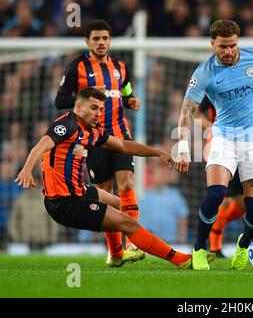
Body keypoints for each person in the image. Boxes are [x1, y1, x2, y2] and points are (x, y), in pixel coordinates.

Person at [15, 87, 215, 268]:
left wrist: (158, 153)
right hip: (65, 203)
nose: (98, 113)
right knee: (129, 224)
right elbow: (41, 146)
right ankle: (179, 259)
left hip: (80, 191)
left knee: (119, 203)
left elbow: (124, 146)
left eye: (101, 109)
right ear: (78, 107)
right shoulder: (66, 126)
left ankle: (117, 254)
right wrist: (26, 170)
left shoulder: (91, 132)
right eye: (94, 108)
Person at [175, 19, 253, 270]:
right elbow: (186, 112)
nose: (228, 51)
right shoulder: (205, 72)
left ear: (238, 42)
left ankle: (243, 247)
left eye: (232, 45)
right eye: (222, 46)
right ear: (213, 44)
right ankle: (199, 249)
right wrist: (182, 148)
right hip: (224, 138)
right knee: (216, 194)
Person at [54, 19, 144, 264]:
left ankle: (134, 243)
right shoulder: (77, 68)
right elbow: (60, 100)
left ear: (110, 40)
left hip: (120, 134)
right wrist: (84, 102)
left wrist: (131, 101)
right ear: (87, 41)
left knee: (126, 184)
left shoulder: (120, 68)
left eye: (105, 38)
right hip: (93, 139)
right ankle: (115, 253)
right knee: (105, 192)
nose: (101, 43)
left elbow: (126, 91)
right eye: (96, 38)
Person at [197, 96, 246, 258]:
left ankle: (216, 227)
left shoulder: (244, 86)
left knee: (243, 203)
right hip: (220, 145)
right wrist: (212, 127)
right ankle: (215, 246)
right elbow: (194, 114)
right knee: (224, 198)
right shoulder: (213, 89)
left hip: (244, 144)